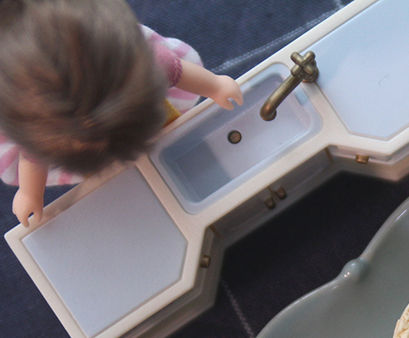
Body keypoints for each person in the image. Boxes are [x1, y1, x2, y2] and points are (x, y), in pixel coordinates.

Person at [0, 0, 244, 227]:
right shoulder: (35, 122)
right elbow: (34, 156)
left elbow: (179, 71)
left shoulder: (146, 62)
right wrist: (29, 193)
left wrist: (215, 86)